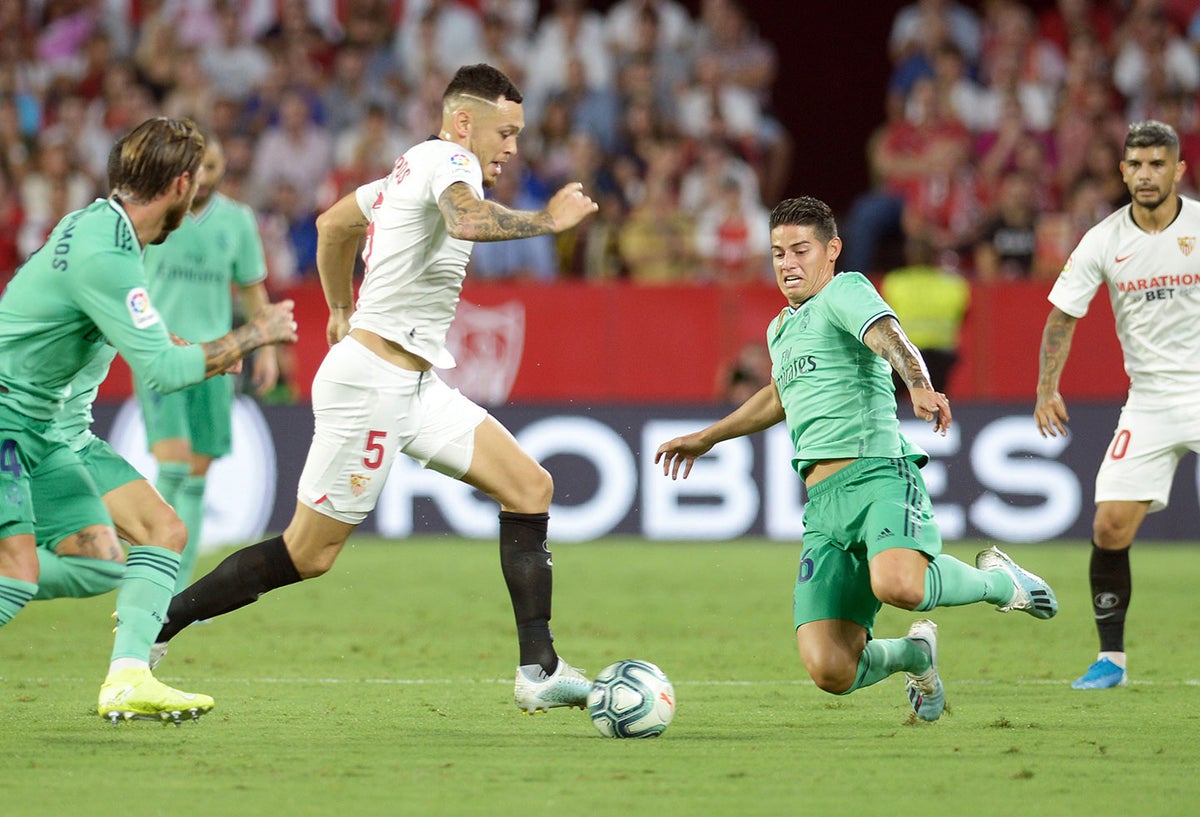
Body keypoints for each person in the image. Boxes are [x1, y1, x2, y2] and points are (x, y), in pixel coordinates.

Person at [150, 64, 600, 715]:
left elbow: (334, 224)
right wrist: (547, 221)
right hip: (372, 387)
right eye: (505, 132)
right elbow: (468, 221)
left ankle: (539, 667)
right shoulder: (451, 162)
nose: (511, 148)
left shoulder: (408, 170)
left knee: (530, 486)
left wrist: (338, 306)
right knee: (308, 553)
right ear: (465, 122)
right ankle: (158, 621)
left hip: (412, 381)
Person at [655, 196, 1057, 722]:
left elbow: (890, 335)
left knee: (899, 585)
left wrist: (918, 384)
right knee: (830, 669)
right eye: (778, 253)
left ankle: (1002, 583)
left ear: (832, 250)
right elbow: (778, 398)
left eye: (800, 250)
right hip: (823, 506)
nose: (788, 263)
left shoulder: (845, 290)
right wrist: (710, 436)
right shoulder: (781, 329)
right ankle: (916, 655)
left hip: (878, 476)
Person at [0, 116, 298, 725]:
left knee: (131, 546)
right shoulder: (106, 252)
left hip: (54, 433)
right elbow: (161, 369)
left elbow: (140, 338)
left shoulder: (103, 230)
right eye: (196, 187)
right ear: (182, 185)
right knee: (18, 573)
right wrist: (253, 337)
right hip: (8, 422)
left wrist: (193, 351)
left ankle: (129, 678)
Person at [1034, 120, 1200, 691]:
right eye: (1136, 165)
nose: (1146, 174)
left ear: (1178, 169)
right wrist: (1046, 387)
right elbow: (1062, 316)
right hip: (1150, 401)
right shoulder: (1104, 239)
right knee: (1108, 526)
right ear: (1123, 170)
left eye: (1158, 164)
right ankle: (1112, 661)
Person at [136, 134, 279, 593]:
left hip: (217, 361)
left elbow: (252, 289)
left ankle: (175, 592)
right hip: (160, 356)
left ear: (222, 171)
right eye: (196, 168)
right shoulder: (154, 212)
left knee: (196, 479)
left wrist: (268, 347)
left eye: (213, 168)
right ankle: (148, 576)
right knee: (173, 468)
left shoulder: (237, 221)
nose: (203, 177)